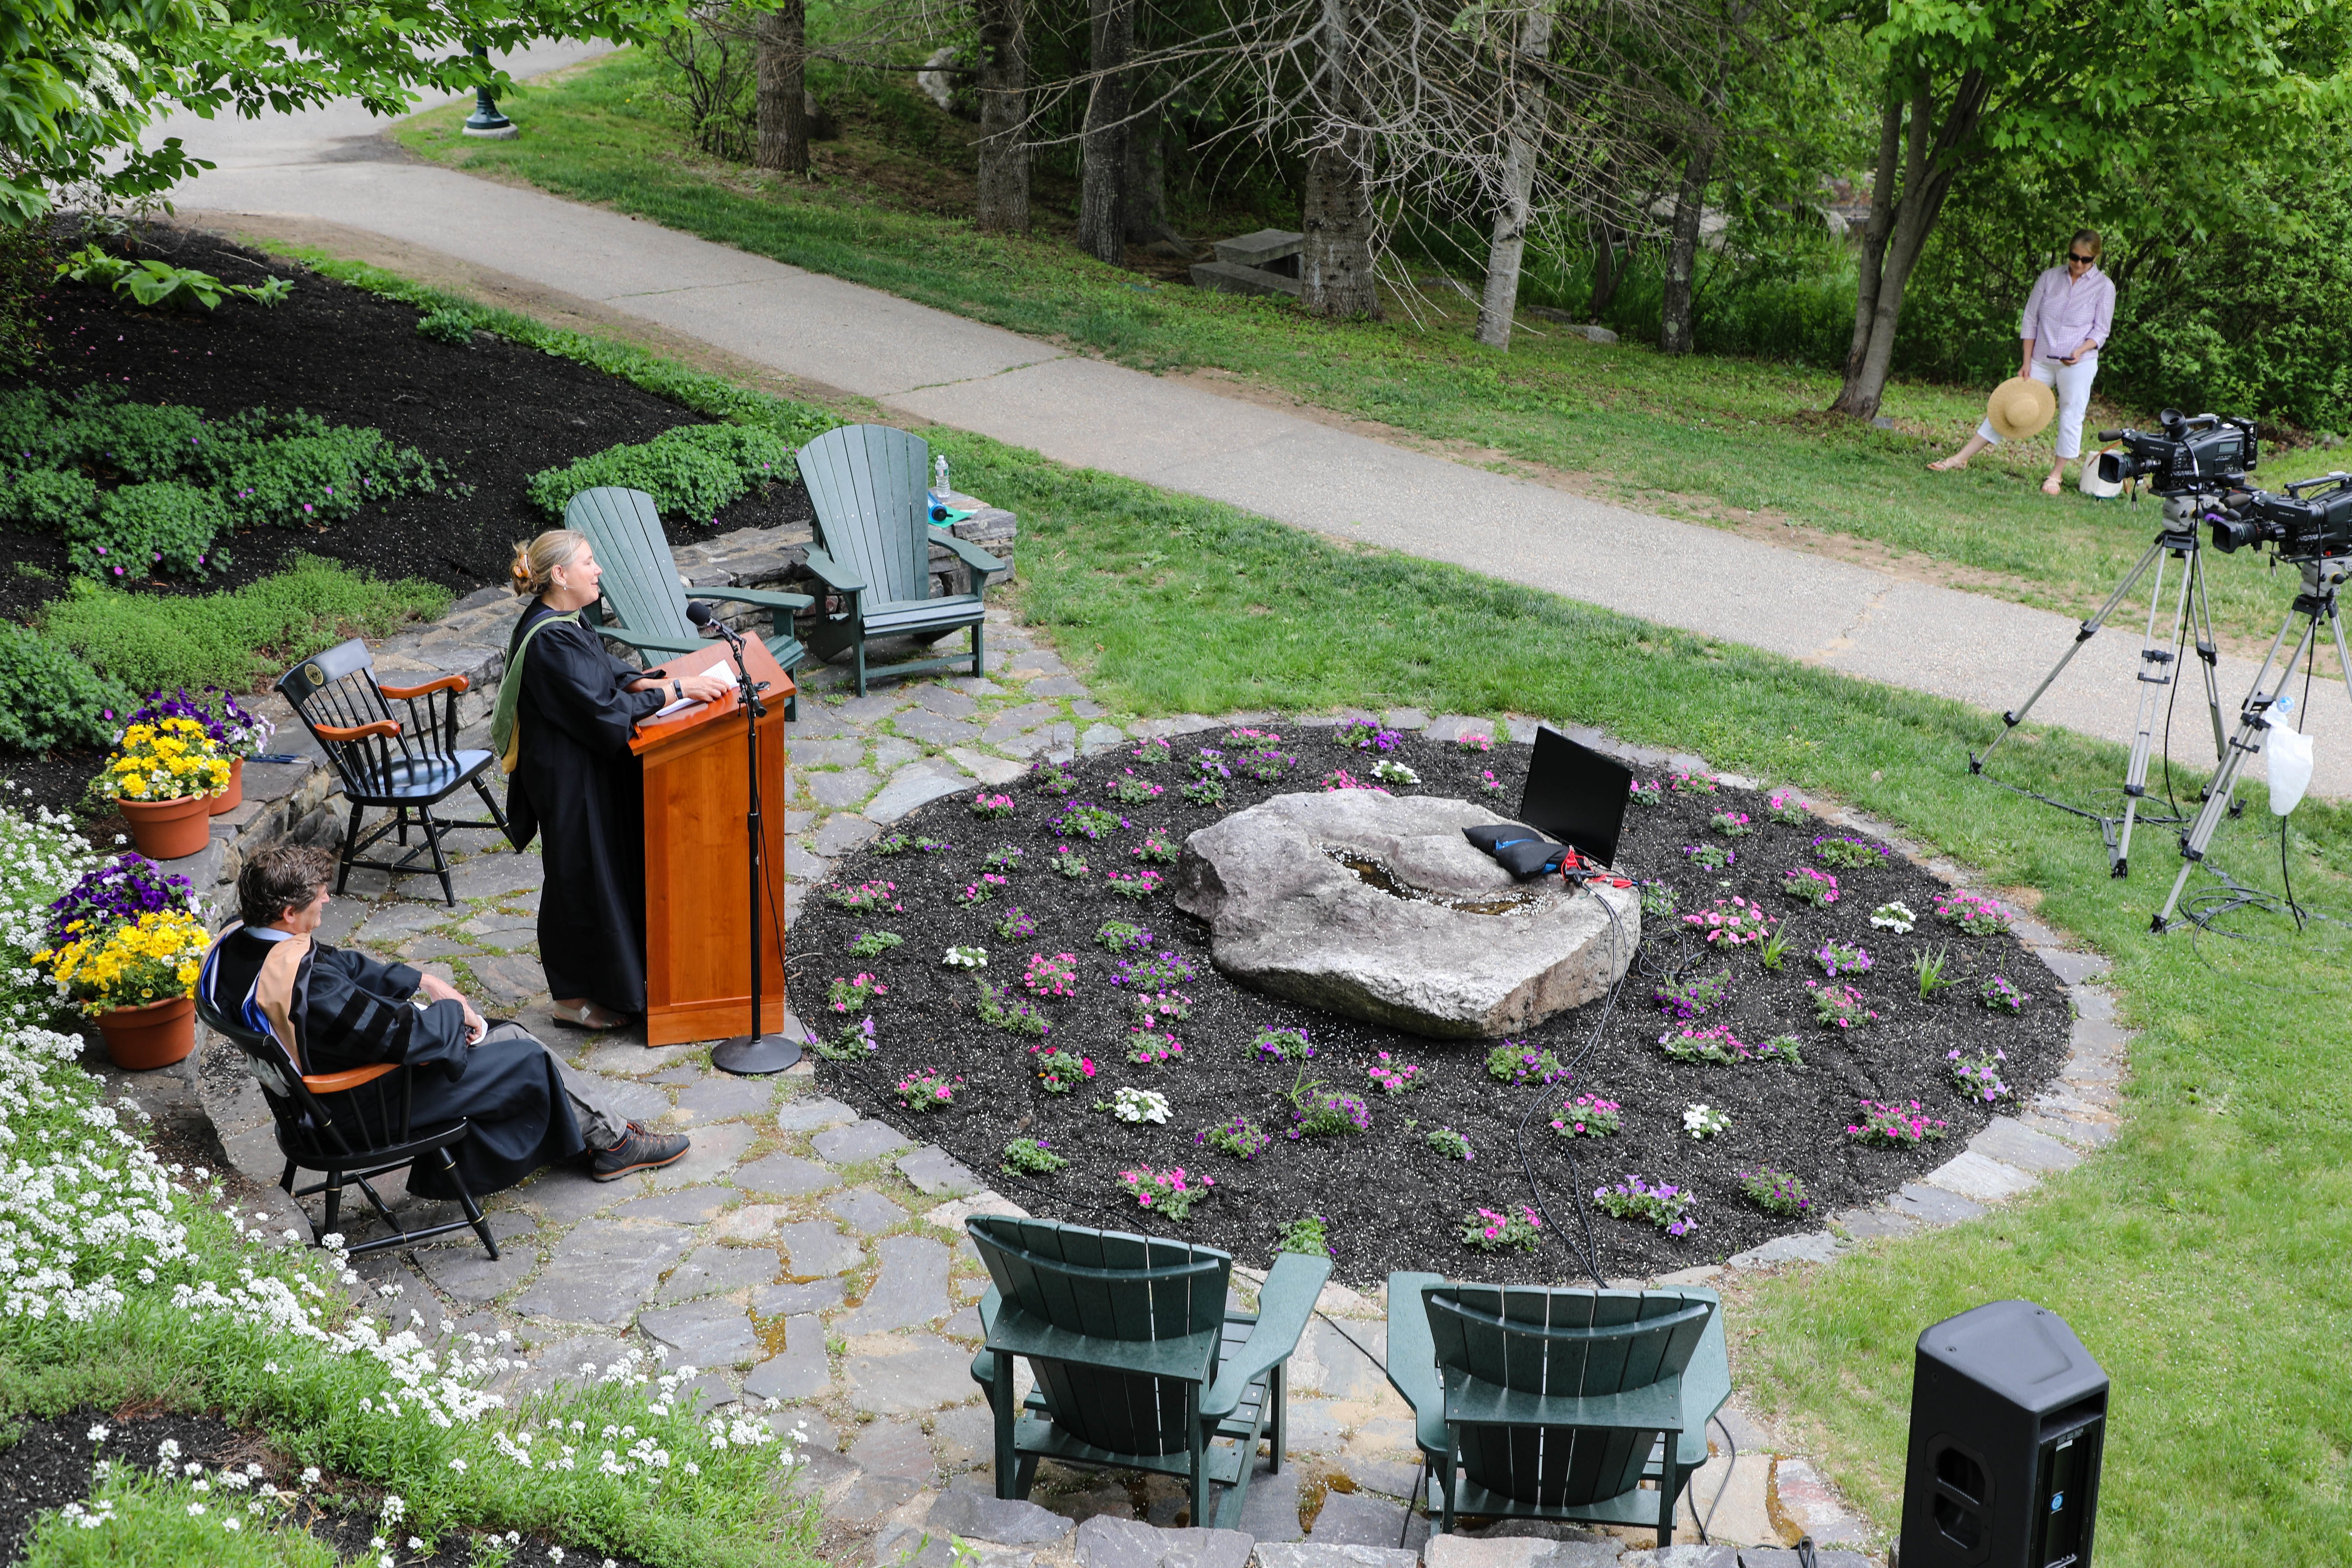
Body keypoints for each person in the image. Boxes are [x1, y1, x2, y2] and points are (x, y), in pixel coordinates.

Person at [201, 844, 691, 1189]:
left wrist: (423, 981)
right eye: (319, 896)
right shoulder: (312, 987)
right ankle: (615, 1143)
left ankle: (609, 1131)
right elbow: (397, 1034)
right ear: (288, 912)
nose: (328, 899)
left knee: (506, 1034)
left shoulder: (238, 940)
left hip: (310, 1099)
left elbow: (339, 963)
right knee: (520, 1050)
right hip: (352, 1109)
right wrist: (452, 1014)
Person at [493, 530, 730, 1030]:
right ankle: (574, 998)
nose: (598, 569)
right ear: (560, 576)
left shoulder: (560, 622)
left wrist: (644, 681)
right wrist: (678, 690)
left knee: (599, 876)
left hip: (583, 770)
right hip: (569, 782)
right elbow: (600, 710)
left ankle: (618, 986)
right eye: (588, 561)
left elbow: (599, 671)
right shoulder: (549, 637)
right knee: (582, 881)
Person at [1930, 229, 2117, 495]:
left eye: (2085, 260)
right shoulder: (2050, 278)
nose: (2078, 264)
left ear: (2096, 258)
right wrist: (2026, 361)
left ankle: (2056, 475)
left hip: (2079, 362)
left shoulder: (2104, 287)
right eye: (2073, 257)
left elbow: (2101, 331)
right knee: (2010, 406)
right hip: (2041, 357)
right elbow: (2030, 319)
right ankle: (1961, 458)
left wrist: (2080, 350)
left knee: (2072, 414)